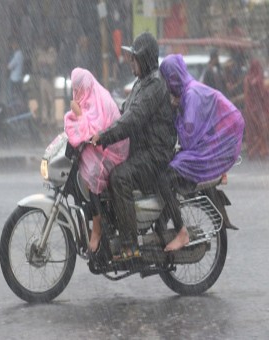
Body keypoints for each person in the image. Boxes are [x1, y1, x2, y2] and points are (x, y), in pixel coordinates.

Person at [91, 32, 177, 259]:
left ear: (146, 59)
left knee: (120, 177)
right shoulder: (142, 83)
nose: (131, 63)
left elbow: (134, 119)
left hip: (156, 153)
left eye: (134, 59)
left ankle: (130, 245)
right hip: (142, 149)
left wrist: (105, 137)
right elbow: (122, 112)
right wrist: (96, 123)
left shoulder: (155, 85)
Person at [158, 54, 245, 251]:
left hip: (221, 142)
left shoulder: (191, 95)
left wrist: (175, 110)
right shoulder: (190, 91)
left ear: (172, 78)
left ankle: (181, 232)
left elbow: (189, 137)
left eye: (166, 80)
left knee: (166, 177)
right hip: (217, 140)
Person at [64, 68, 129, 252]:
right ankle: (93, 214)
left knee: (91, 171)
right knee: (81, 166)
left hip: (113, 150)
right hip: (102, 147)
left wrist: (78, 115)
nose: (77, 93)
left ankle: (98, 223)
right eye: (75, 89)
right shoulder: (88, 97)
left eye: (79, 88)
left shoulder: (101, 99)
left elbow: (95, 131)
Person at [243, 59, 269, 159]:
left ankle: (255, 150)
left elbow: (246, 95)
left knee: (253, 131)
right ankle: (258, 150)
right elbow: (263, 94)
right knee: (263, 130)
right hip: (259, 109)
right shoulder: (259, 79)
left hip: (249, 109)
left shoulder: (247, 79)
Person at [35, 36, 57, 127]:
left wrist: (44, 60)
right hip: (42, 78)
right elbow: (38, 62)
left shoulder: (52, 52)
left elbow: (51, 62)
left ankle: (52, 119)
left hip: (50, 78)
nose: (43, 43)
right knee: (43, 100)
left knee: (51, 100)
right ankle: (44, 119)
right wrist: (44, 60)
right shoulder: (40, 52)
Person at [7, 37, 24, 106]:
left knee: (12, 94)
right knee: (17, 94)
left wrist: (7, 66)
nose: (12, 46)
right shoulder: (19, 54)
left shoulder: (17, 55)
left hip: (15, 78)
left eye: (13, 44)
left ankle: (12, 105)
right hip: (18, 77)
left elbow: (10, 66)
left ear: (17, 45)